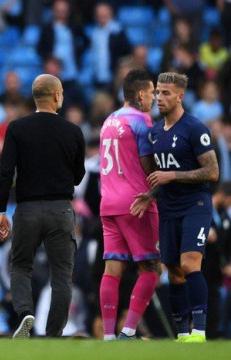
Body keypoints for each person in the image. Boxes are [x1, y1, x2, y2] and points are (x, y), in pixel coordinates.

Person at [0, 74, 85, 338]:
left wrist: (0, 211)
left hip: (27, 209)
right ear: (57, 96)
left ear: (35, 97)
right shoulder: (73, 131)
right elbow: (78, 176)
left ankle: (25, 313)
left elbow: (5, 172)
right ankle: (54, 333)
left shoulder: (16, 128)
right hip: (61, 210)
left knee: (21, 265)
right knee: (61, 274)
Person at [131, 72, 220, 343]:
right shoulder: (155, 133)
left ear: (180, 96)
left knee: (190, 263)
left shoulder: (195, 128)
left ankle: (200, 331)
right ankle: (182, 334)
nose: (159, 97)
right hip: (168, 207)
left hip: (195, 205)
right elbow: (161, 176)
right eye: (157, 92)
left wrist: (173, 176)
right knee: (172, 269)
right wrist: (151, 194)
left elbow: (212, 171)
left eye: (166, 93)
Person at [98, 69, 161, 341]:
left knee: (112, 269)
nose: (154, 98)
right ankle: (129, 331)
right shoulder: (141, 121)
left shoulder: (108, 121)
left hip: (108, 203)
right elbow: (150, 167)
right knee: (151, 267)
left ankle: (109, 336)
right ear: (139, 94)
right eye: (151, 93)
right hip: (136, 203)